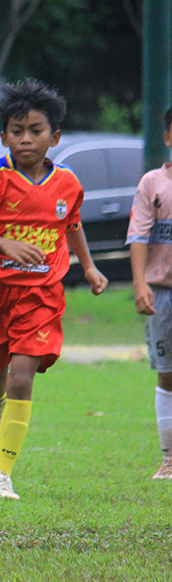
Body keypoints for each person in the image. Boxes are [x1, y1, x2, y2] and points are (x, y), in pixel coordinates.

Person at [0, 78, 108, 500]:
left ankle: (2, 475)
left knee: (21, 379)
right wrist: (5, 244)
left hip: (41, 294)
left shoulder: (68, 183)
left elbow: (71, 224)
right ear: (4, 136)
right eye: (17, 130)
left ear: (54, 137)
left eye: (35, 130)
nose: (26, 138)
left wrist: (89, 267)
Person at [127, 105, 172, 480]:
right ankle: (169, 459)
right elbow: (138, 236)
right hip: (163, 293)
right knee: (167, 376)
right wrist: (140, 284)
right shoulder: (152, 183)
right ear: (168, 137)